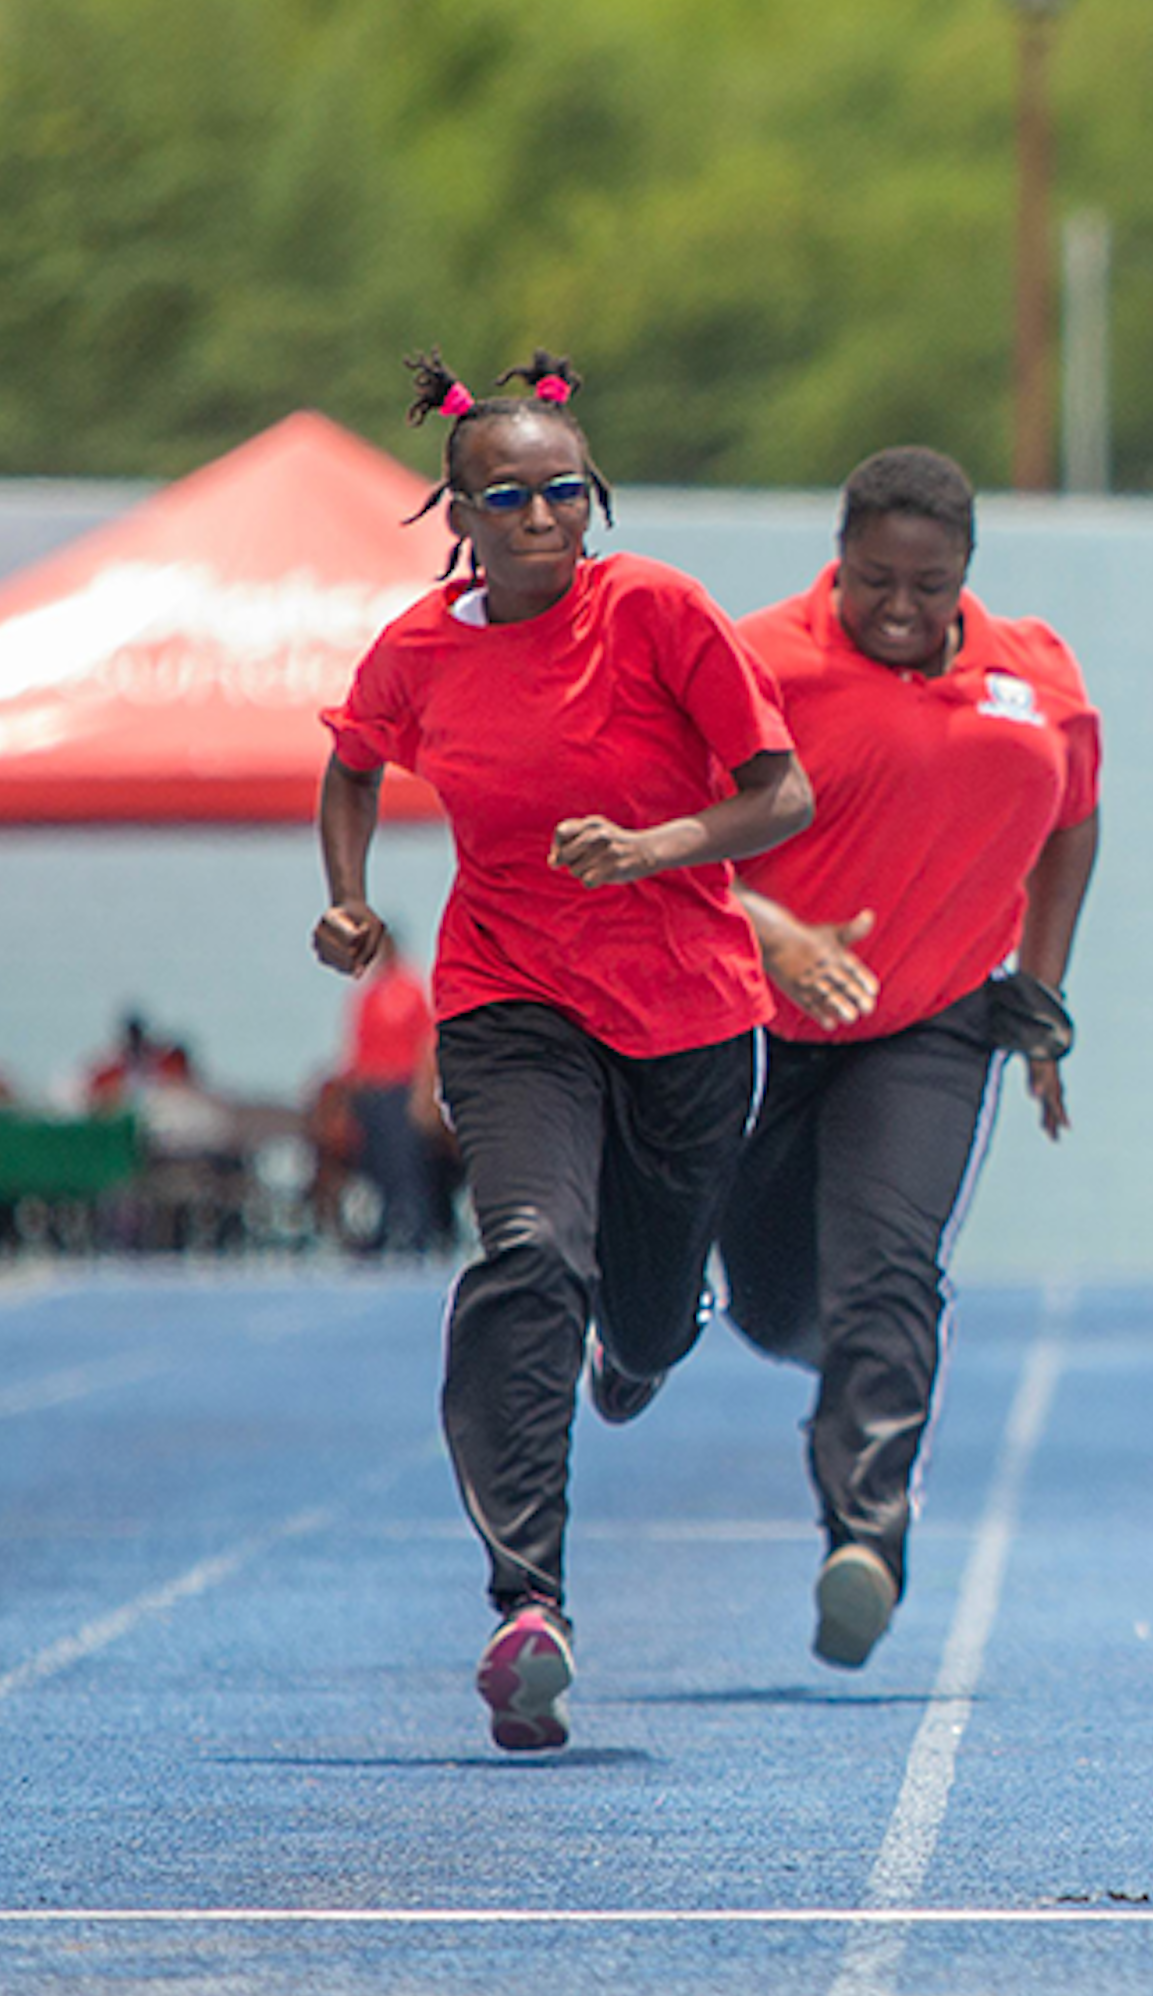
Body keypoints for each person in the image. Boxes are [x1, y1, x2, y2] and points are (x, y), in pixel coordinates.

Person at [315, 347, 814, 1753]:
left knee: (642, 1318)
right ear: (456, 517)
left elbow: (782, 793)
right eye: (509, 500)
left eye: (564, 495)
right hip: (511, 997)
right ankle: (526, 1605)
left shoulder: (658, 613)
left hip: (691, 1012)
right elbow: (353, 762)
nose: (541, 520)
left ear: (594, 500)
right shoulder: (418, 651)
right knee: (532, 1253)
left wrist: (659, 845)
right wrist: (349, 900)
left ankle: (650, 1339)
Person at [717, 447, 1101, 1669]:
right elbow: (666, 833)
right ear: (837, 559)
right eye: (874, 577)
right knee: (779, 1304)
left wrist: (1038, 990)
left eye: (927, 585)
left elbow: (1074, 822)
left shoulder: (1032, 676)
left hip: (933, 1019)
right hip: (753, 1017)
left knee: (891, 1268)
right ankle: (663, 1317)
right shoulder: (757, 665)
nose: (898, 606)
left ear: (966, 575)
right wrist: (772, 934)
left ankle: (867, 1538)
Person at [339, 949, 441, 1257]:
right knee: (378, 1164)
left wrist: (423, 1094)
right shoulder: (368, 994)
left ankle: (417, 1230)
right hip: (372, 1089)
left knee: (405, 1164)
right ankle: (383, 1228)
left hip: (400, 1086)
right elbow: (357, 1046)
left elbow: (426, 1041)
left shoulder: (409, 990)